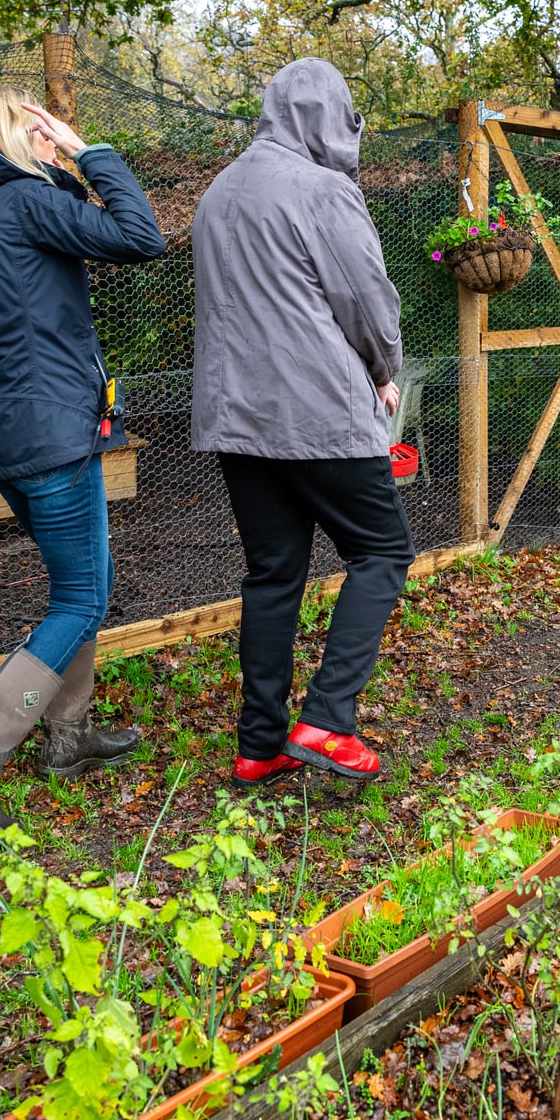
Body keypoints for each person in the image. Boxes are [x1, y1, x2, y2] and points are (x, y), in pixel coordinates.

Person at [0, 84, 166, 834]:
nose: (54, 140)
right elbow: (141, 235)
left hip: (3, 432)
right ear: (7, 134)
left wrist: (54, 162)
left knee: (82, 585)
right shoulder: (22, 206)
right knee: (82, 599)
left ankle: (69, 737)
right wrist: (94, 155)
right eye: (41, 129)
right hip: (50, 430)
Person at [190, 58, 413, 790]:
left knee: (273, 575)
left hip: (237, 420)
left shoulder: (219, 192)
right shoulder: (325, 192)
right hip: (318, 414)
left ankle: (260, 744)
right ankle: (328, 719)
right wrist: (384, 370)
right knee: (382, 551)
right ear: (329, 118)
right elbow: (367, 301)